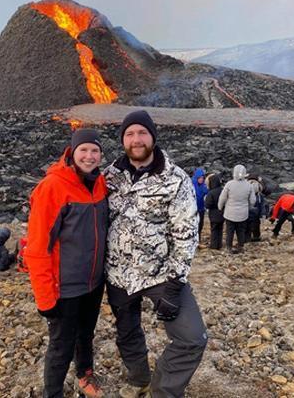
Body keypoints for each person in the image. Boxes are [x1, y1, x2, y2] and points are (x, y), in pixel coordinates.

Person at [104, 110, 207, 398]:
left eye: (142, 133)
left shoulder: (175, 179)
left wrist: (175, 285)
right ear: (123, 140)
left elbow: (185, 234)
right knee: (127, 333)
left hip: (160, 275)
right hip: (117, 274)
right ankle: (139, 379)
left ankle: (162, 391)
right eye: (130, 134)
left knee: (192, 338)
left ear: (152, 136)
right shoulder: (110, 176)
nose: (136, 139)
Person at [25, 128, 108, 398]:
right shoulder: (52, 187)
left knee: (86, 335)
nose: (89, 155)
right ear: (72, 153)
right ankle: (53, 392)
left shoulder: (100, 184)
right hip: (65, 288)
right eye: (83, 150)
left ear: (100, 155)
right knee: (61, 345)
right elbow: (37, 248)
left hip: (93, 283)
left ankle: (85, 377)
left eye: (94, 150)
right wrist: (45, 298)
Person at [218, 164, 255, 254]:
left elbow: (222, 198)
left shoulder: (229, 184)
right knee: (241, 231)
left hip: (230, 213)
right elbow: (253, 200)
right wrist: (248, 207)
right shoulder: (249, 185)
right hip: (243, 213)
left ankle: (228, 247)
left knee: (229, 231)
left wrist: (220, 207)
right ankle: (240, 246)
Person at [204, 173, 225, 250]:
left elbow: (207, 204)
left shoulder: (211, 192)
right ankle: (219, 244)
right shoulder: (222, 190)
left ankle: (214, 245)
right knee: (220, 229)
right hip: (222, 213)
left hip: (213, 214)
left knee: (214, 230)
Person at [246, 177, 266, 242]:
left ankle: (255, 237)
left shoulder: (260, 196)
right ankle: (250, 237)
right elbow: (262, 205)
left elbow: (262, 205)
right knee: (249, 227)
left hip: (252, 214)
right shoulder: (259, 196)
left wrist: (263, 214)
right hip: (250, 214)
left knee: (255, 226)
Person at [192, 168, 209, 238]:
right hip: (193, 209)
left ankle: (198, 238)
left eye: (202, 178)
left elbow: (207, 193)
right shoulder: (191, 184)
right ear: (196, 178)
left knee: (200, 224)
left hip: (201, 209)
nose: (201, 179)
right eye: (200, 178)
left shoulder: (204, 185)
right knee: (193, 225)